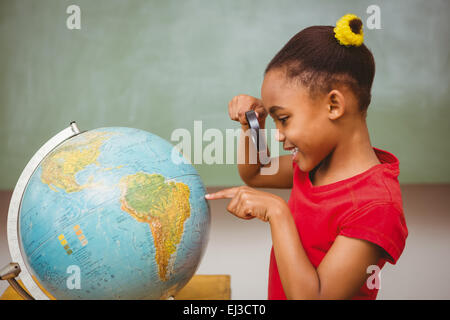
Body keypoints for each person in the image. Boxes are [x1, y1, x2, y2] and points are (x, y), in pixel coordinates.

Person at [205, 14, 408, 300]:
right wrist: (252, 123)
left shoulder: (376, 206)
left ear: (334, 105)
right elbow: (256, 172)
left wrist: (278, 213)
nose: (278, 135)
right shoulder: (313, 165)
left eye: (284, 118)